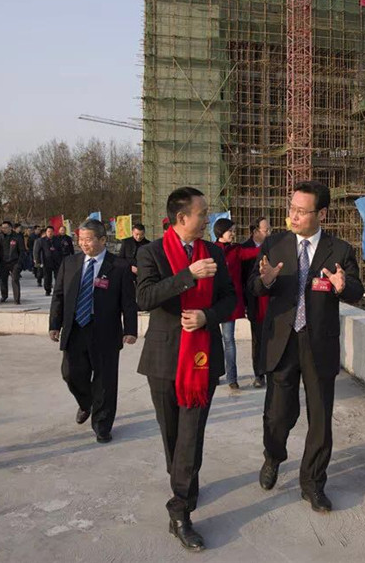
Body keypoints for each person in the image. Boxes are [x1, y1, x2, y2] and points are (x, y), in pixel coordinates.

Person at [249, 180, 363, 513]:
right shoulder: (275, 244)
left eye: (302, 211)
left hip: (319, 344)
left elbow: (356, 290)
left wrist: (342, 286)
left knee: (320, 419)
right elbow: (253, 286)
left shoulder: (339, 250)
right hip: (282, 342)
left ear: (321, 213)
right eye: (292, 209)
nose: (294, 216)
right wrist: (265, 281)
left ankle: (313, 482)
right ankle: (273, 456)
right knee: (277, 415)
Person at [136, 187, 236, 551]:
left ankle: (179, 511)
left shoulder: (214, 252)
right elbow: (145, 298)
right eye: (202, 212)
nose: (207, 218)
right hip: (164, 358)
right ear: (181, 218)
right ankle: (184, 481)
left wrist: (207, 316)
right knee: (173, 435)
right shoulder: (151, 252)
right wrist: (187, 276)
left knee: (191, 435)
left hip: (202, 358)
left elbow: (230, 298)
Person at [49, 219, 138, 443]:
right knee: (70, 373)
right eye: (81, 239)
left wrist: (130, 329)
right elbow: (58, 295)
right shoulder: (70, 263)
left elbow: (128, 302)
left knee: (105, 381)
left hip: (105, 331)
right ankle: (86, 402)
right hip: (75, 328)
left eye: (88, 239)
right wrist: (54, 324)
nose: (83, 244)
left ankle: (102, 425)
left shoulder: (119, 266)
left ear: (103, 240)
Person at [212, 218, 259, 390]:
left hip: (228, 303)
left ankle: (232, 377)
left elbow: (253, 253)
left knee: (229, 340)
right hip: (211, 302)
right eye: (230, 231)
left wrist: (271, 245)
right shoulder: (210, 249)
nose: (233, 233)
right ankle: (214, 374)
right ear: (220, 232)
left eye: (233, 230)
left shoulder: (236, 250)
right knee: (212, 341)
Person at [241, 216, 272, 388]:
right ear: (255, 232)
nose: (269, 233)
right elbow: (241, 278)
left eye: (270, 230)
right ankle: (259, 374)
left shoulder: (274, 247)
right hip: (255, 301)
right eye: (266, 230)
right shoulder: (244, 249)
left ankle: (272, 371)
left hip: (272, 301)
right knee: (258, 341)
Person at [0, 220, 25, 304]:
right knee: (3, 279)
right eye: (2, 228)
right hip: (3, 262)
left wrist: (19, 263)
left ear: (10, 228)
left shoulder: (17, 237)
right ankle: (4, 296)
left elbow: (22, 251)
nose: (4, 229)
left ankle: (17, 299)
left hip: (14, 262)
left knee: (15, 279)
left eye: (5, 228)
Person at [39, 225, 63, 295]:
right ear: (46, 232)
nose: (50, 233)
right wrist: (38, 261)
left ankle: (58, 290)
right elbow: (37, 251)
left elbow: (61, 250)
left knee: (58, 277)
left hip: (57, 261)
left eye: (51, 231)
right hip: (46, 262)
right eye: (48, 231)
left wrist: (62, 260)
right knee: (47, 277)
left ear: (54, 232)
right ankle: (48, 290)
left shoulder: (57, 240)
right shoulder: (42, 240)